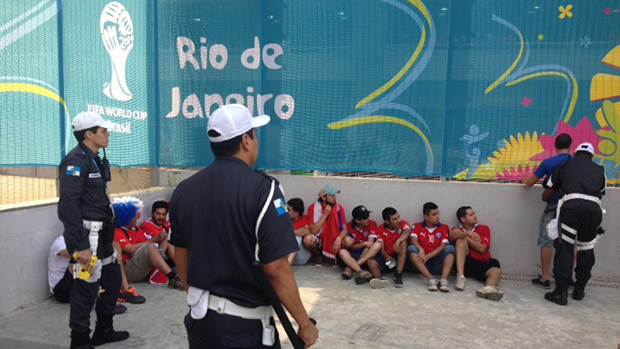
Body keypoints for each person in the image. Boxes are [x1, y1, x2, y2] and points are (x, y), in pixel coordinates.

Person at [169, 104, 318, 347]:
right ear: (246, 141)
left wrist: (200, 299)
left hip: (200, 322)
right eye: (255, 134)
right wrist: (304, 324)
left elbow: (180, 254)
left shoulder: (184, 190)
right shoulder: (265, 189)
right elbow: (277, 269)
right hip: (244, 329)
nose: (256, 141)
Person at [57, 111, 128, 348]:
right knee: (86, 289)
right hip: (88, 237)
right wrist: (81, 246)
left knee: (113, 278)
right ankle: (79, 341)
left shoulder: (93, 158)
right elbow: (68, 206)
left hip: (104, 236)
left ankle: (104, 330)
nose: (108, 134)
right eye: (103, 130)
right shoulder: (75, 161)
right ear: (89, 134)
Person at [544, 142, 606, 305]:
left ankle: (561, 292)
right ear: (592, 156)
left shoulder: (565, 165)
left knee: (565, 247)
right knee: (586, 248)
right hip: (594, 209)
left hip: (571, 207)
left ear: (576, 153)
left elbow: (550, 186)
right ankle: (579, 290)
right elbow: (601, 192)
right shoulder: (600, 170)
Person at [523, 133, 572, 289]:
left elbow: (530, 182)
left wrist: (524, 179)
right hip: (571, 206)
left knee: (546, 241)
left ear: (555, 146)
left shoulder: (548, 162)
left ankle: (545, 278)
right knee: (572, 242)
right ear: (570, 146)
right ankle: (569, 278)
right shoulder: (575, 163)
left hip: (552, 204)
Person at [112, 196, 184, 291]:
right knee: (150, 247)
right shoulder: (118, 232)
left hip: (144, 264)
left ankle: (185, 270)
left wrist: (161, 238)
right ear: (127, 217)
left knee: (167, 240)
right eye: (134, 215)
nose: (137, 218)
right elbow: (130, 249)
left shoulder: (137, 229)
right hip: (129, 270)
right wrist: (153, 240)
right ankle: (173, 277)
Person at [47, 234, 130, 313]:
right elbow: (76, 256)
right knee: (83, 261)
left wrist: (117, 254)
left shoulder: (86, 241)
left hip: (80, 288)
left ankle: (126, 290)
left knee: (111, 256)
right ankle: (104, 299)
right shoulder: (61, 241)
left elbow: (115, 243)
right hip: (62, 291)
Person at [451, 206, 503, 300]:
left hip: (483, 263)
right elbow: (453, 236)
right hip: (466, 263)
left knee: (496, 271)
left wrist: (466, 236)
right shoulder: (456, 229)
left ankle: (488, 289)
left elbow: (482, 249)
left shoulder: (484, 228)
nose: (475, 216)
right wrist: (467, 234)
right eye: (471, 215)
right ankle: (461, 277)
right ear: (463, 219)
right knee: (460, 241)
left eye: (474, 213)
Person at [408, 202, 455, 292]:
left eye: (438, 213)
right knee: (411, 248)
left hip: (437, 263)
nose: (437, 217)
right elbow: (413, 240)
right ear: (426, 217)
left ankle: (443, 280)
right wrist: (421, 249)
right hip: (421, 263)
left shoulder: (444, 227)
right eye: (434, 214)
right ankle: (430, 279)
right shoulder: (417, 226)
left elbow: (443, 245)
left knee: (450, 249)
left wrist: (428, 256)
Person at [307, 185, 348, 265]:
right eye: (332, 195)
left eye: (335, 195)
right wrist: (325, 215)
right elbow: (313, 230)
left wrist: (339, 238)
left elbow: (345, 229)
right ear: (323, 197)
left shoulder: (339, 209)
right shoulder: (313, 208)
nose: (335, 198)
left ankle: (336, 256)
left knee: (348, 241)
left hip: (334, 238)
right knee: (307, 240)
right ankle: (318, 254)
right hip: (319, 238)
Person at [369, 207, 410, 288]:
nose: (398, 220)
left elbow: (407, 232)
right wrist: (386, 256)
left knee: (403, 242)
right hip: (388, 259)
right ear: (387, 221)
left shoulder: (403, 223)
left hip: (400, 257)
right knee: (371, 262)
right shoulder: (380, 229)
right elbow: (381, 246)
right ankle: (380, 280)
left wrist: (398, 241)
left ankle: (398, 274)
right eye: (394, 219)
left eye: (398, 217)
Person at [338, 205, 378, 284]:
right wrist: (363, 243)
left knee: (372, 246)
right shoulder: (349, 226)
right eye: (365, 218)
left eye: (368, 216)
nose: (368, 220)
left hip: (365, 256)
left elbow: (370, 244)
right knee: (342, 251)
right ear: (357, 221)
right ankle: (360, 272)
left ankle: (350, 268)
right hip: (352, 255)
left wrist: (364, 245)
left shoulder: (372, 224)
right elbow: (352, 247)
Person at [140, 200, 175, 284]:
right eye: (158, 214)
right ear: (152, 213)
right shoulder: (146, 225)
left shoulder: (165, 223)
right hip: (151, 259)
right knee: (168, 239)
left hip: (165, 254)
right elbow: (161, 237)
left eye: (163, 214)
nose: (161, 217)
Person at [286, 198, 312, 265]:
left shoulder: (306, 218)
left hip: (301, 257)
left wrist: (289, 232)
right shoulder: (286, 220)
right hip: (288, 256)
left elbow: (307, 230)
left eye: (289, 210)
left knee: (297, 238)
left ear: (296, 214)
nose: (286, 211)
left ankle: (287, 265)